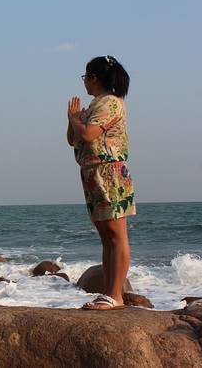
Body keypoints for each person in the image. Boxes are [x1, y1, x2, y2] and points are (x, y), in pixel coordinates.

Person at [67, 55, 136, 310]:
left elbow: (88, 134)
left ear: (94, 78)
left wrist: (76, 119)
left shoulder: (110, 103)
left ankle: (115, 295)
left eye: (85, 77)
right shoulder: (96, 105)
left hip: (109, 172)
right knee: (107, 236)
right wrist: (73, 119)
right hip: (93, 173)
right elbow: (73, 139)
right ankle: (109, 292)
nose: (84, 81)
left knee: (116, 235)